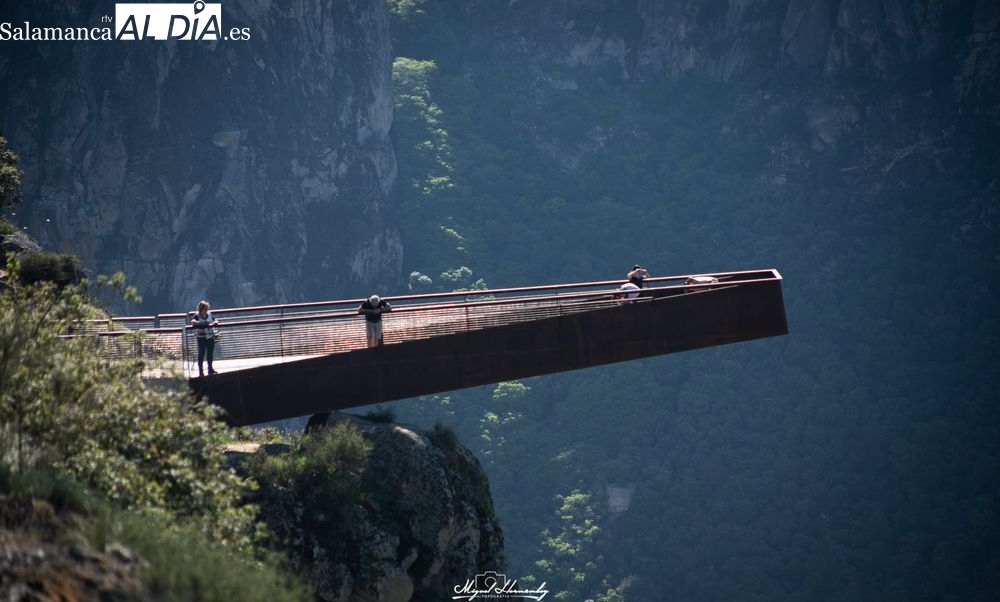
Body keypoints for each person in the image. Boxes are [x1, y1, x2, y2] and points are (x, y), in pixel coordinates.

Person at [191, 300, 220, 377]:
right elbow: (193, 322)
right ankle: (201, 371)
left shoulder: (209, 315)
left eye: (206, 308)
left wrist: (214, 323)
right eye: (204, 308)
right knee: (201, 354)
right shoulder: (197, 316)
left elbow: (215, 320)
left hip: (210, 336)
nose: (206, 310)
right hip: (201, 337)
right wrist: (203, 323)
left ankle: (210, 369)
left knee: (210, 353)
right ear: (201, 309)